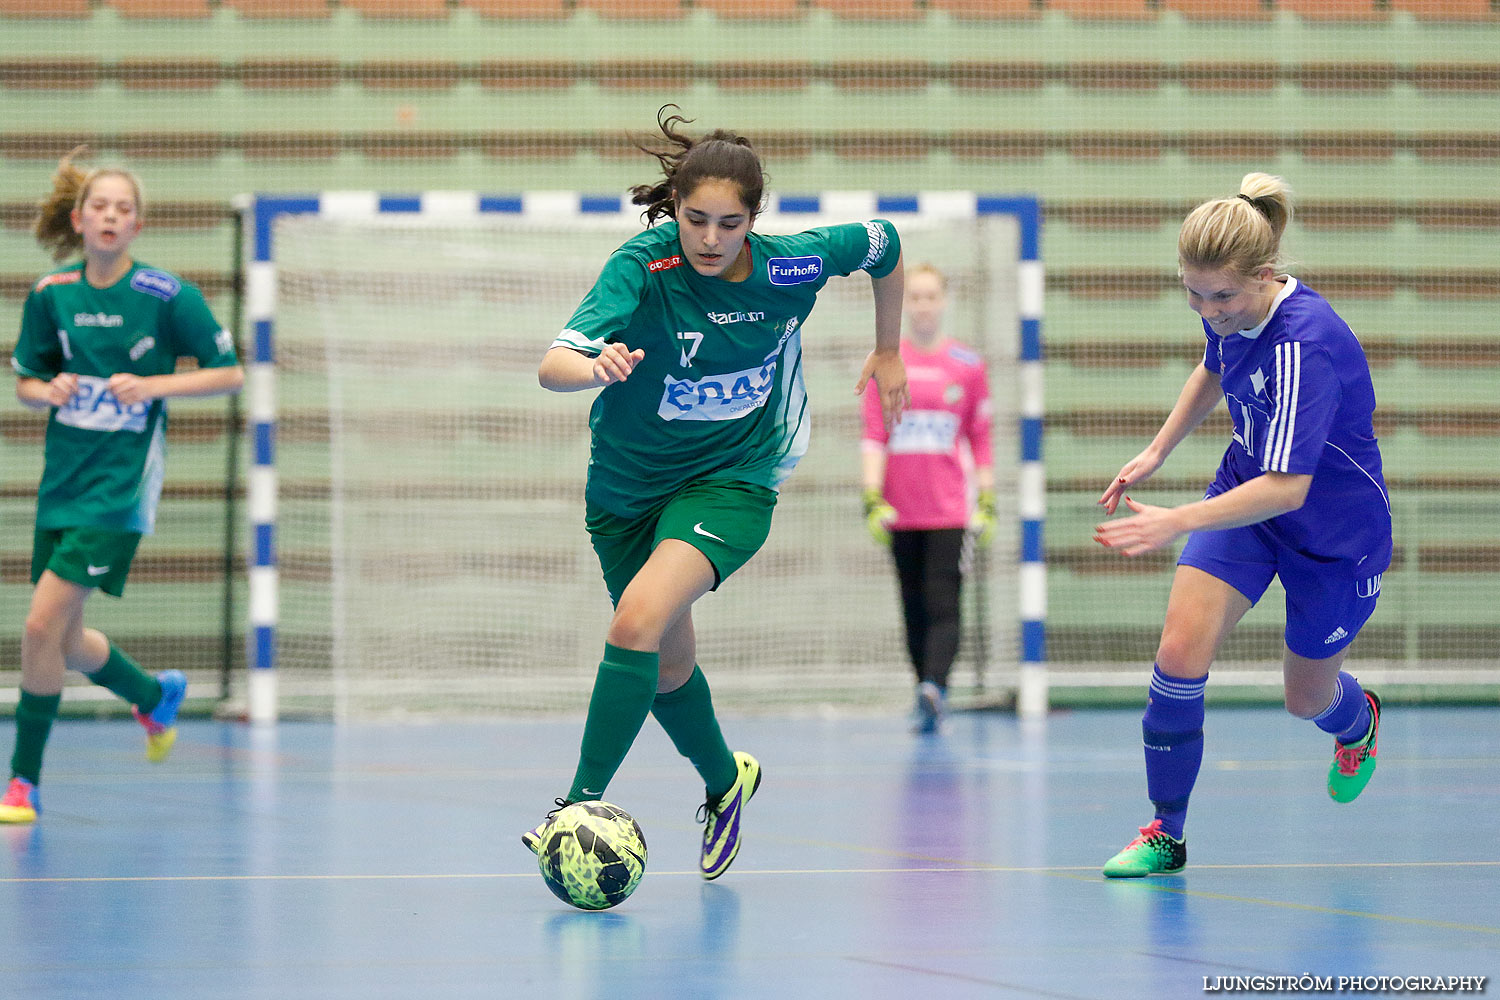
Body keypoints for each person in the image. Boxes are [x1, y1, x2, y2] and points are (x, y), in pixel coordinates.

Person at [522, 106, 908, 880]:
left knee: (635, 623)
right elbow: (551, 362)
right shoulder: (643, 266)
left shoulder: (790, 265)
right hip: (627, 493)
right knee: (664, 668)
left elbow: (886, 245)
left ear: (752, 220)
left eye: (728, 224)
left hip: (734, 479)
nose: (708, 238)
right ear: (677, 209)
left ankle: (572, 808)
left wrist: (889, 349)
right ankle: (725, 780)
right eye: (695, 219)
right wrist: (592, 367)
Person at [1094, 173, 1391, 877]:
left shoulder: (1304, 345)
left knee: (1305, 699)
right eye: (1192, 293)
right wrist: (1157, 450)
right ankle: (1166, 834)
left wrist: (1178, 520)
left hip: (1333, 536)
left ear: (1265, 276)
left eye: (1220, 296)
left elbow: (1289, 488)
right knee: (1177, 655)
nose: (1207, 308)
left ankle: (1359, 722)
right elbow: (1212, 364)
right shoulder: (1225, 306)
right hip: (1245, 494)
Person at [0, 149, 244, 824]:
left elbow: (230, 373)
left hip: (120, 489)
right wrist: (46, 390)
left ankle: (22, 782)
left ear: (137, 226)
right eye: (101, 206)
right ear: (79, 220)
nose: (112, 216)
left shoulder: (167, 297)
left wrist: (157, 385)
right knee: (68, 642)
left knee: (38, 626)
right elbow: (24, 385)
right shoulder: (52, 297)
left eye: (125, 209)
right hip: (63, 483)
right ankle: (152, 694)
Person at [859, 263, 995, 734]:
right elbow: (874, 434)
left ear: (943, 301)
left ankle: (936, 684)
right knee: (911, 605)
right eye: (913, 296)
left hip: (949, 511)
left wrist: (988, 497)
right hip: (900, 511)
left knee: (943, 601)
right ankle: (925, 689)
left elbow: (980, 435)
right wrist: (872, 496)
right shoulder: (885, 364)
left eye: (929, 296)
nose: (921, 305)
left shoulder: (967, 365)